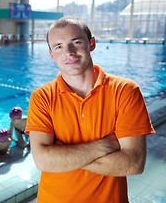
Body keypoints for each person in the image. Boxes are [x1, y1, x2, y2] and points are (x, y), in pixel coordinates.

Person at [25, 16, 155, 202]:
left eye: (75, 42)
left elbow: (133, 164)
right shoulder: (42, 97)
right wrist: (107, 145)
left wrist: (64, 155)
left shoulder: (125, 90)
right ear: (51, 54)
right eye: (58, 46)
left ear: (91, 43)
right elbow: (43, 161)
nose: (68, 52)